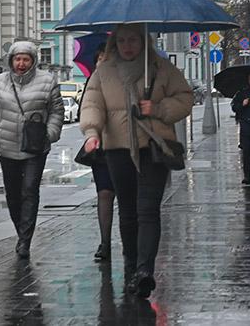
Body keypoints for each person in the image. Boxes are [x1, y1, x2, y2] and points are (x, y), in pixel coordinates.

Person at [79, 23, 193, 299]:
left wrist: (158, 108)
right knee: (128, 212)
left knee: (148, 210)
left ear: (144, 42)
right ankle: (131, 269)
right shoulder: (103, 72)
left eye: (133, 40)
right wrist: (92, 133)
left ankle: (144, 271)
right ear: (114, 44)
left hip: (153, 148)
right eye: (122, 41)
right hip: (117, 150)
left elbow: (185, 98)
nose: (127, 46)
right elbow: (92, 104)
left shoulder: (161, 68)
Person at [0, 41, 64, 259]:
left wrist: (50, 134)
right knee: (13, 195)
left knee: (29, 191)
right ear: (11, 60)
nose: (21, 63)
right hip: (7, 146)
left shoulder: (47, 81)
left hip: (35, 147)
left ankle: (25, 240)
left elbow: (56, 111)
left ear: (33, 60)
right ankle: (21, 231)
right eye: (17, 59)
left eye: (26, 59)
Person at [79, 44, 115, 263]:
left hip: (126, 146)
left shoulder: (126, 81)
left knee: (129, 198)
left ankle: (130, 243)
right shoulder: (91, 85)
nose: (102, 62)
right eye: (99, 59)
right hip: (101, 147)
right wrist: (92, 132)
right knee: (104, 194)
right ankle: (105, 242)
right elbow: (86, 110)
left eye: (107, 58)